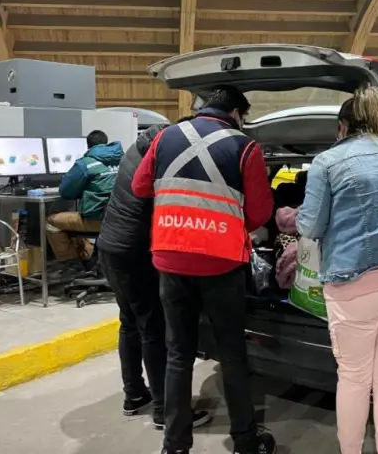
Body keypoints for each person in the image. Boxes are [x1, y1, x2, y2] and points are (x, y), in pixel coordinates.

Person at [132, 87, 276, 454]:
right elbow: (260, 214)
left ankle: (175, 445)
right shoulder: (245, 146)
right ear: (237, 113)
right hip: (221, 263)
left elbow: (140, 186)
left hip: (170, 258)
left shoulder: (165, 136)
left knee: (178, 353)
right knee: (231, 353)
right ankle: (245, 441)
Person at [295, 86, 378, 454]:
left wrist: (290, 216)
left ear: (342, 126)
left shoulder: (327, 162)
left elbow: (310, 226)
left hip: (354, 282)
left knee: (354, 379)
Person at [96, 119, 210, 428]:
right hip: (135, 253)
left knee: (129, 321)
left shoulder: (137, 148)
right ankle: (165, 410)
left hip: (110, 247)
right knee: (153, 328)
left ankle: (135, 394)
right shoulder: (162, 160)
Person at [47, 130, 121, 261]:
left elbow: (66, 192)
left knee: (52, 221)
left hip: (99, 220)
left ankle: (71, 265)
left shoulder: (85, 163)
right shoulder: (123, 160)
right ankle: (89, 258)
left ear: (88, 146)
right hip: (122, 219)